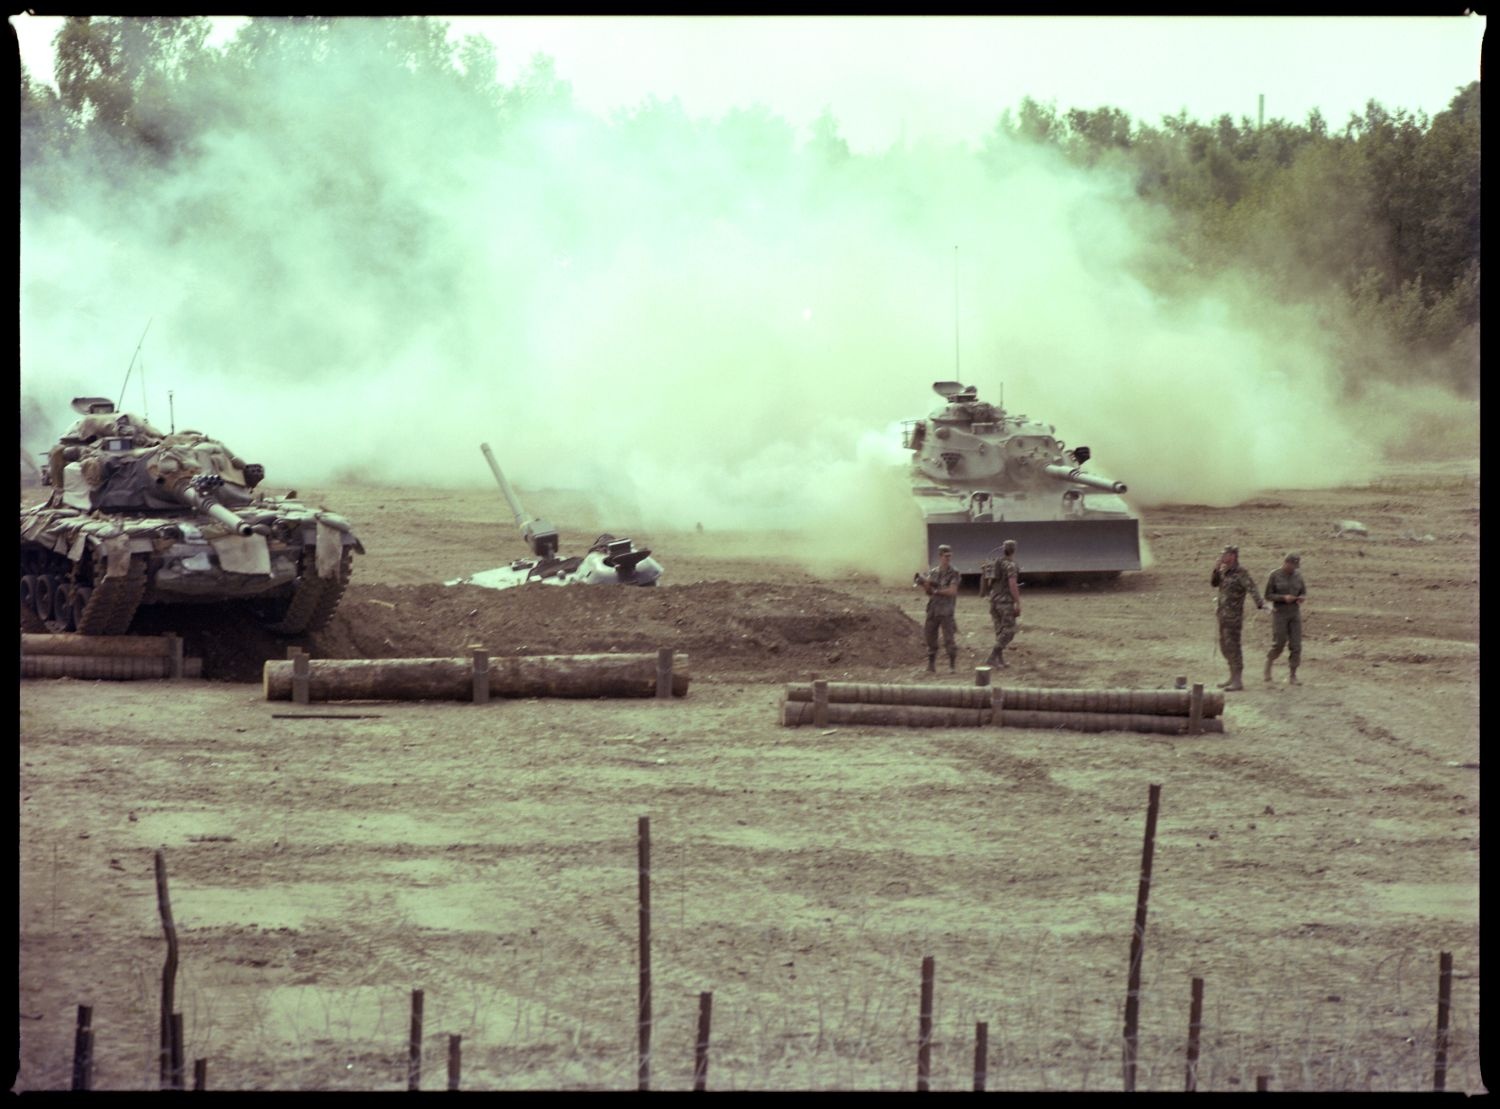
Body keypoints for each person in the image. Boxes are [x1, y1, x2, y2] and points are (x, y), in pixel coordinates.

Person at [1210, 544, 1264, 691]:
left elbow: (1252, 588)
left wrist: (1260, 604)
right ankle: (1232, 676)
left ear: (1232, 556)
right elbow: (1214, 584)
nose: (1222, 556)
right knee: (1224, 647)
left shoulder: (1241, 573)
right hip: (1222, 616)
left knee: (1233, 647)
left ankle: (1237, 681)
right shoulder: (1224, 572)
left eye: (1224, 554)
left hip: (1233, 618)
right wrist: (1216, 569)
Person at [915, 543, 961, 672]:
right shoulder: (933, 572)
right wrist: (925, 584)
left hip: (946, 610)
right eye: (946, 556)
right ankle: (931, 665)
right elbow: (929, 592)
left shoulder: (954, 573)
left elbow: (952, 591)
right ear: (940, 556)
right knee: (930, 637)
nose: (948, 559)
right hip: (933, 609)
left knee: (949, 639)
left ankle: (952, 666)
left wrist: (937, 591)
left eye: (949, 556)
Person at [1263, 552, 1307, 684]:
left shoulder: (1298, 576)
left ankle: (1293, 675)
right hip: (1280, 613)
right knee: (1279, 643)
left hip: (1294, 613)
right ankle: (1269, 664)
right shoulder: (1274, 575)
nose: (1293, 568)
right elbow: (1268, 595)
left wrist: (1302, 598)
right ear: (1286, 562)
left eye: (1295, 566)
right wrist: (1283, 598)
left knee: (1296, 645)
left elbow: (1303, 591)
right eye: (1292, 565)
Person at [982, 539, 1021, 669]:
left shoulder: (996, 563)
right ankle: (992, 657)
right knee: (1009, 631)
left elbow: (988, 582)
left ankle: (1000, 661)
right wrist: (1017, 603)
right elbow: (1012, 584)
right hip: (1005, 602)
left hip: (994, 601)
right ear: (1014, 550)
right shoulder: (1010, 565)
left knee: (999, 632)